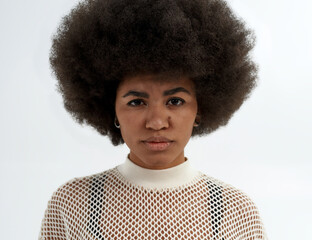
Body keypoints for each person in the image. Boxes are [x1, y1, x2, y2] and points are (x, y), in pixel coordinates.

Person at [39, 0, 268, 239]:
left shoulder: (237, 212)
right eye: (137, 102)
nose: (157, 122)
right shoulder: (73, 203)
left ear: (200, 109)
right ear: (111, 108)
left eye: (175, 101)